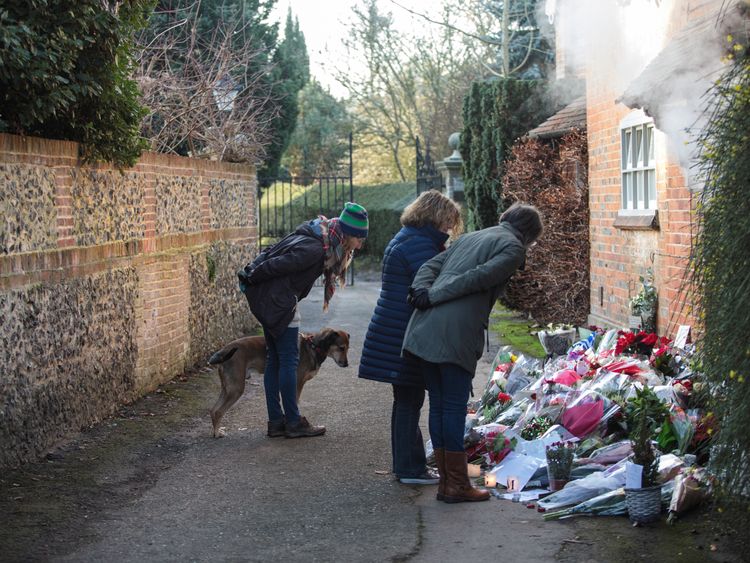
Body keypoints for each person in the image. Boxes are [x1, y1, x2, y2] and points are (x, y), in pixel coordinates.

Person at [402, 203, 543, 502]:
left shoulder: (469, 237)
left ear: (506, 219)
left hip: (423, 329)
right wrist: (432, 294)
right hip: (455, 333)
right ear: (530, 236)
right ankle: (456, 485)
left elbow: (430, 267)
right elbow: (480, 277)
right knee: (451, 407)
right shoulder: (513, 249)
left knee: (439, 406)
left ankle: (447, 483)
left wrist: (422, 291)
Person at [238, 202, 368, 438]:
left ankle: (276, 422)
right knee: (288, 360)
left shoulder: (319, 234)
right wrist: (252, 273)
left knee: (275, 360)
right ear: (349, 235)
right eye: (360, 239)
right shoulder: (316, 249)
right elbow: (278, 264)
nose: (360, 245)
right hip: (278, 302)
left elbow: (276, 250)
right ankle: (293, 422)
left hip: (273, 300)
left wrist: (252, 271)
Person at [359, 190, 463, 485]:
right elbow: (431, 288)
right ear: (435, 217)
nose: (448, 231)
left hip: (394, 330)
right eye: (447, 224)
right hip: (403, 334)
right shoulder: (419, 245)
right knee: (409, 400)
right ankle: (409, 468)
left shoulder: (407, 238)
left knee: (406, 399)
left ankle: (408, 465)